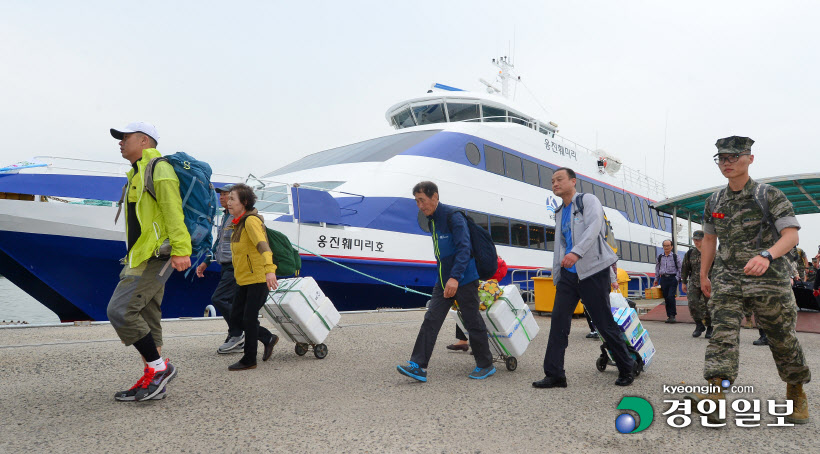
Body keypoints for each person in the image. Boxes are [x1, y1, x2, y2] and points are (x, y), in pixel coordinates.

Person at [686, 136, 810, 425]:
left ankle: (796, 393)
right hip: (728, 278)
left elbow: (791, 235)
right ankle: (715, 397)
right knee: (722, 334)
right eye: (721, 158)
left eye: (733, 157)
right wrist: (704, 274)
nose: (726, 163)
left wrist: (767, 255)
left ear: (749, 159)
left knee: (781, 338)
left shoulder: (769, 196)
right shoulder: (714, 201)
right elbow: (709, 239)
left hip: (768, 279)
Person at [108, 122, 191, 402]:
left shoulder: (159, 168)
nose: (120, 142)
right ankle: (153, 381)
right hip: (140, 254)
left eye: (125, 137)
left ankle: (159, 368)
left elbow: (172, 211)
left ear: (144, 141)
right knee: (147, 315)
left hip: (157, 255)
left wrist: (181, 249)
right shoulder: (136, 172)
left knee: (120, 311)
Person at [533, 168, 636, 389]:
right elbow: (560, 245)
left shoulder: (588, 201)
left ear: (573, 181)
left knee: (604, 323)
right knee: (558, 322)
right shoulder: (560, 211)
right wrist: (557, 274)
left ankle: (627, 367)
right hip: (569, 276)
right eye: (552, 181)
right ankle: (555, 374)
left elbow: (594, 227)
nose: (555, 184)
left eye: (559, 180)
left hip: (592, 271)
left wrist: (576, 252)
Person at [397, 181, 495, 381]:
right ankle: (418, 366)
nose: (420, 205)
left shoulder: (453, 217)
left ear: (435, 197)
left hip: (464, 279)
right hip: (443, 280)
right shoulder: (432, 220)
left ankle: (485, 365)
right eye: (416, 201)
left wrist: (455, 278)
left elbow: (464, 249)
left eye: (422, 200)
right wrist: (446, 279)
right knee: (431, 319)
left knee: (472, 321)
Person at [224, 183, 280, 371]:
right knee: (237, 318)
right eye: (228, 198)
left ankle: (249, 359)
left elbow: (263, 245)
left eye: (232, 199)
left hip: (258, 278)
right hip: (244, 279)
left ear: (245, 202)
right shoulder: (237, 223)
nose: (228, 202)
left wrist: (270, 270)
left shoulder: (250, 221)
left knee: (248, 319)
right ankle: (267, 338)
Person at [195, 184, 246, 353]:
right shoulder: (225, 216)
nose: (222, 198)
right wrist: (206, 262)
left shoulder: (241, 217)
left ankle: (240, 333)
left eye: (226, 195)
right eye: (221, 195)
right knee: (231, 301)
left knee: (219, 299)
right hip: (225, 264)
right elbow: (218, 243)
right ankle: (236, 335)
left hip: (236, 265)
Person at [446, 256, 507, 352]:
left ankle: (476, 345)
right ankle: (465, 342)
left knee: (470, 311)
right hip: (484, 282)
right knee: (466, 309)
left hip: (481, 282)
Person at [681, 231, 712, 338]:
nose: (696, 242)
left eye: (699, 239)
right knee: (692, 302)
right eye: (695, 240)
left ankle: (710, 327)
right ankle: (699, 324)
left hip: (709, 283)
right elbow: (685, 268)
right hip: (694, 282)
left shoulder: (711, 252)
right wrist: (684, 282)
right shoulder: (690, 253)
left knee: (708, 306)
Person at [654, 239, 681, 323]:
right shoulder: (660, 257)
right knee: (666, 297)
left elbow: (680, 268)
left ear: (671, 247)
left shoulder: (675, 256)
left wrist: (677, 278)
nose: (666, 247)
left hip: (673, 278)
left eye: (668, 246)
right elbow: (657, 269)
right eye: (665, 246)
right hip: (663, 279)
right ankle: (669, 316)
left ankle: (673, 315)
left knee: (671, 296)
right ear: (663, 247)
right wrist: (656, 279)